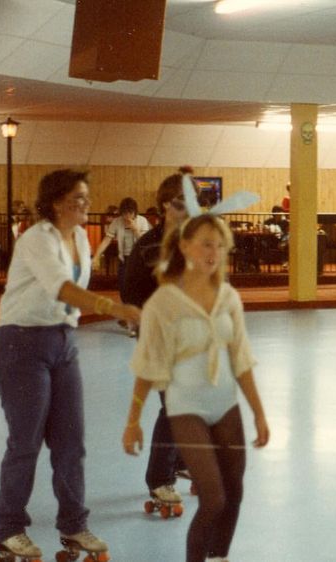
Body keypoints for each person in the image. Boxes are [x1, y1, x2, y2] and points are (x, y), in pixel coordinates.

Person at [0, 168, 141, 561]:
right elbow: (61, 287)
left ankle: (74, 525)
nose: (86, 205)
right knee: (25, 441)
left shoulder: (79, 239)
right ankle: (10, 529)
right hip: (20, 344)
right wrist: (113, 307)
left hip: (63, 341)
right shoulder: (37, 238)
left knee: (71, 441)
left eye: (87, 199)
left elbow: (71, 296)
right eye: (78, 199)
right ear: (56, 202)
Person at [123, 212, 269, 562]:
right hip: (185, 406)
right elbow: (148, 367)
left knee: (233, 493)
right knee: (213, 497)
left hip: (225, 405)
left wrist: (259, 414)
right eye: (206, 243)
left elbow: (241, 360)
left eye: (219, 245)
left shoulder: (229, 298)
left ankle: (219, 557)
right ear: (185, 246)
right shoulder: (164, 303)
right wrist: (133, 421)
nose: (213, 252)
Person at [122, 168, 195, 512]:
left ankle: (179, 460)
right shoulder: (149, 246)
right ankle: (160, 479)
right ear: (166, 204)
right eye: (183, 201)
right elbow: (131, 292)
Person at [92, 197, 151, 308]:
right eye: (124, 213)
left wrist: (136, 230)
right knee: (123, 287)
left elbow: (145, 243)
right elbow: (107, 240)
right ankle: (127, 311)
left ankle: (138, 312)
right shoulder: (117, 222)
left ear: (135, 212)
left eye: (130, 213)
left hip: (138, 260)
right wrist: (96, 255)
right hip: (124, 258)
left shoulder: (142, 221)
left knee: (137, 287)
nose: (127, 216)